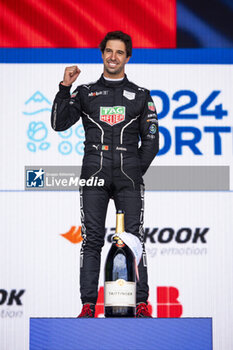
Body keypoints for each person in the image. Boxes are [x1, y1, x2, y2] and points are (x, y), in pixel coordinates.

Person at [51, 31, 159, 318]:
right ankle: (88, 305)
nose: (113, 57)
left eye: (120, 52)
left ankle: (141, 304)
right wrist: (65, 87)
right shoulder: (85, 92)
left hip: (128, 178)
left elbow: (151, 140)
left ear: (128, 57)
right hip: (94, 175)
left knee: (134, 238)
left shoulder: (141, 95)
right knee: (92, 240)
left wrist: (133, 171)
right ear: (102, 54)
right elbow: (59, 124)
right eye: (108, 51)